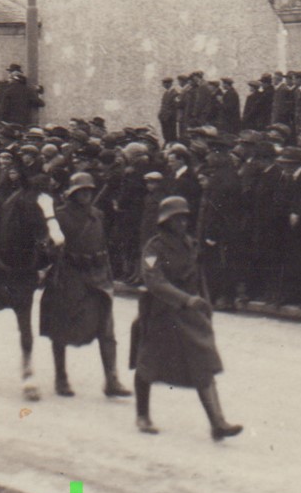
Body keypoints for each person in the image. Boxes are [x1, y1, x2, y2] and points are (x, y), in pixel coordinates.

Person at [131, 195, 242, 439]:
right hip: (160, 313)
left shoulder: (190, 244)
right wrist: (185, 299)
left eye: (184, 218)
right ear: (165, 221)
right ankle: (142, 415)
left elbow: (198, 278)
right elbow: (154, 281)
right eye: (176, 219)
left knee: (204, 362)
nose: (182, 223)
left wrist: (205, 304)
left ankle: (217, 422)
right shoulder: (153, 248)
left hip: (189, 314)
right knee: (148, 364)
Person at [41, 171, 130, 398]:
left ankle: (112, 380)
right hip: (70, 275)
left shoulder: (98, 215)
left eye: (89, 191)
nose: (86, 195)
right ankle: (61, 378)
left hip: (98, 275)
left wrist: (108, 274)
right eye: (81, 191)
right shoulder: (60, 217)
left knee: (106, 329)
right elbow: (49, 246)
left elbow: (104, 245)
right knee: (61, 327)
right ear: (72, 193)